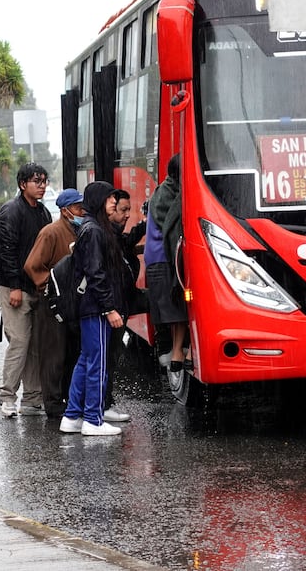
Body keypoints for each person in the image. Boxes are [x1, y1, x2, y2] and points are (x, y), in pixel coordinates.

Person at [60, 181, 127, 436]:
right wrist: (110, 308)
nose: (114, 202)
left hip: (88, 306)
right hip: (96, 308)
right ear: (100, 200)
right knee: (97, 363)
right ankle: (93, 420)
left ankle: (73, 416)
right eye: (111, 198)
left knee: (85, 360)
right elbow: (96, 274)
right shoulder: (95, 230)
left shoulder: (90, 228)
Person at [0, 162, 52, 418]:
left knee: (36, 345)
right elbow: (6, 253)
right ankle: (7, 397)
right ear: (22, 184)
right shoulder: (10, 212)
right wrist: (15, 286)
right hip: (13, 287)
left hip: (37, 288)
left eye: (44, 181)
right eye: (36, 181)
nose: (41, 186)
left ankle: (32, 398)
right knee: (19, 342)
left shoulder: (43, 213)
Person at [23, 187, 84, 418]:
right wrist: (50, 284)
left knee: (71, 351)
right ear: (65, 210)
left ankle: (68, 397)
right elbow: (32, 265)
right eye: (78, 207)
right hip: (51, 301)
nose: (82, 211)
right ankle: (53, 403)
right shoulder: (51, 232)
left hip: (72, 301)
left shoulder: (79, 231)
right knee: (53, 354)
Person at [101, 189, 146, 423]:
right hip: (114, 306)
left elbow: (128, 243)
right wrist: (110, 309)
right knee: (107, 356)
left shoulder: (116, 234)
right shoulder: (104, 235)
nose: (127, 215)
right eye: (123, 210)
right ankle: (103, 404)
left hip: (123, 302)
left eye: (130, 210)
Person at [144, 154, 188, 372]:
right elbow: (171, 226)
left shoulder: (168, 189)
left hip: (163, 258)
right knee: (176, 307)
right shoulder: (167, 194)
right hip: (162, 259)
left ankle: (175, 352)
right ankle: (175, 353)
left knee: (174, 307)